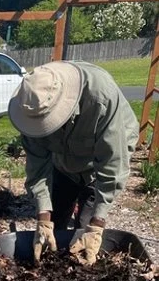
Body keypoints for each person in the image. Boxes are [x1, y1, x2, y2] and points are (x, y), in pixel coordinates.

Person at [8, 61, 139, 265]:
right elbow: (37, 169)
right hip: (63, 161)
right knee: (54, 223)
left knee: (85, 229)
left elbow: (112, 164)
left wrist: (97, 225)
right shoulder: (31, 104)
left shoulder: (100, 98)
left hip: (100, 162)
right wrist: (43, 218)